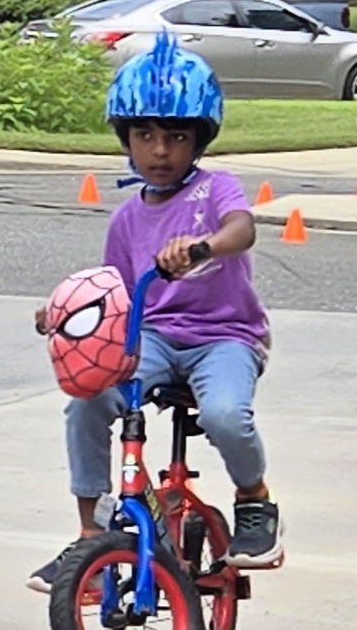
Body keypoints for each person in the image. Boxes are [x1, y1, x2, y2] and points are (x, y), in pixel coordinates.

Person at [30, 35, 280, 586]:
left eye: (175, 137)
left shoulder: (215, 191)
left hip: (225, 337)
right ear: (126, 139)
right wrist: (62, 312)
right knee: (88, 397)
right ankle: (90, 537)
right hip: (155, 339)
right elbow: (112, 294)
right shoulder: (125, 220)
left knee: (223, 416)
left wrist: (204, 246)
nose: (160, 151)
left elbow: (243, 229)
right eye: (144, 135)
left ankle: (254, 500)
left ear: (199, 141)